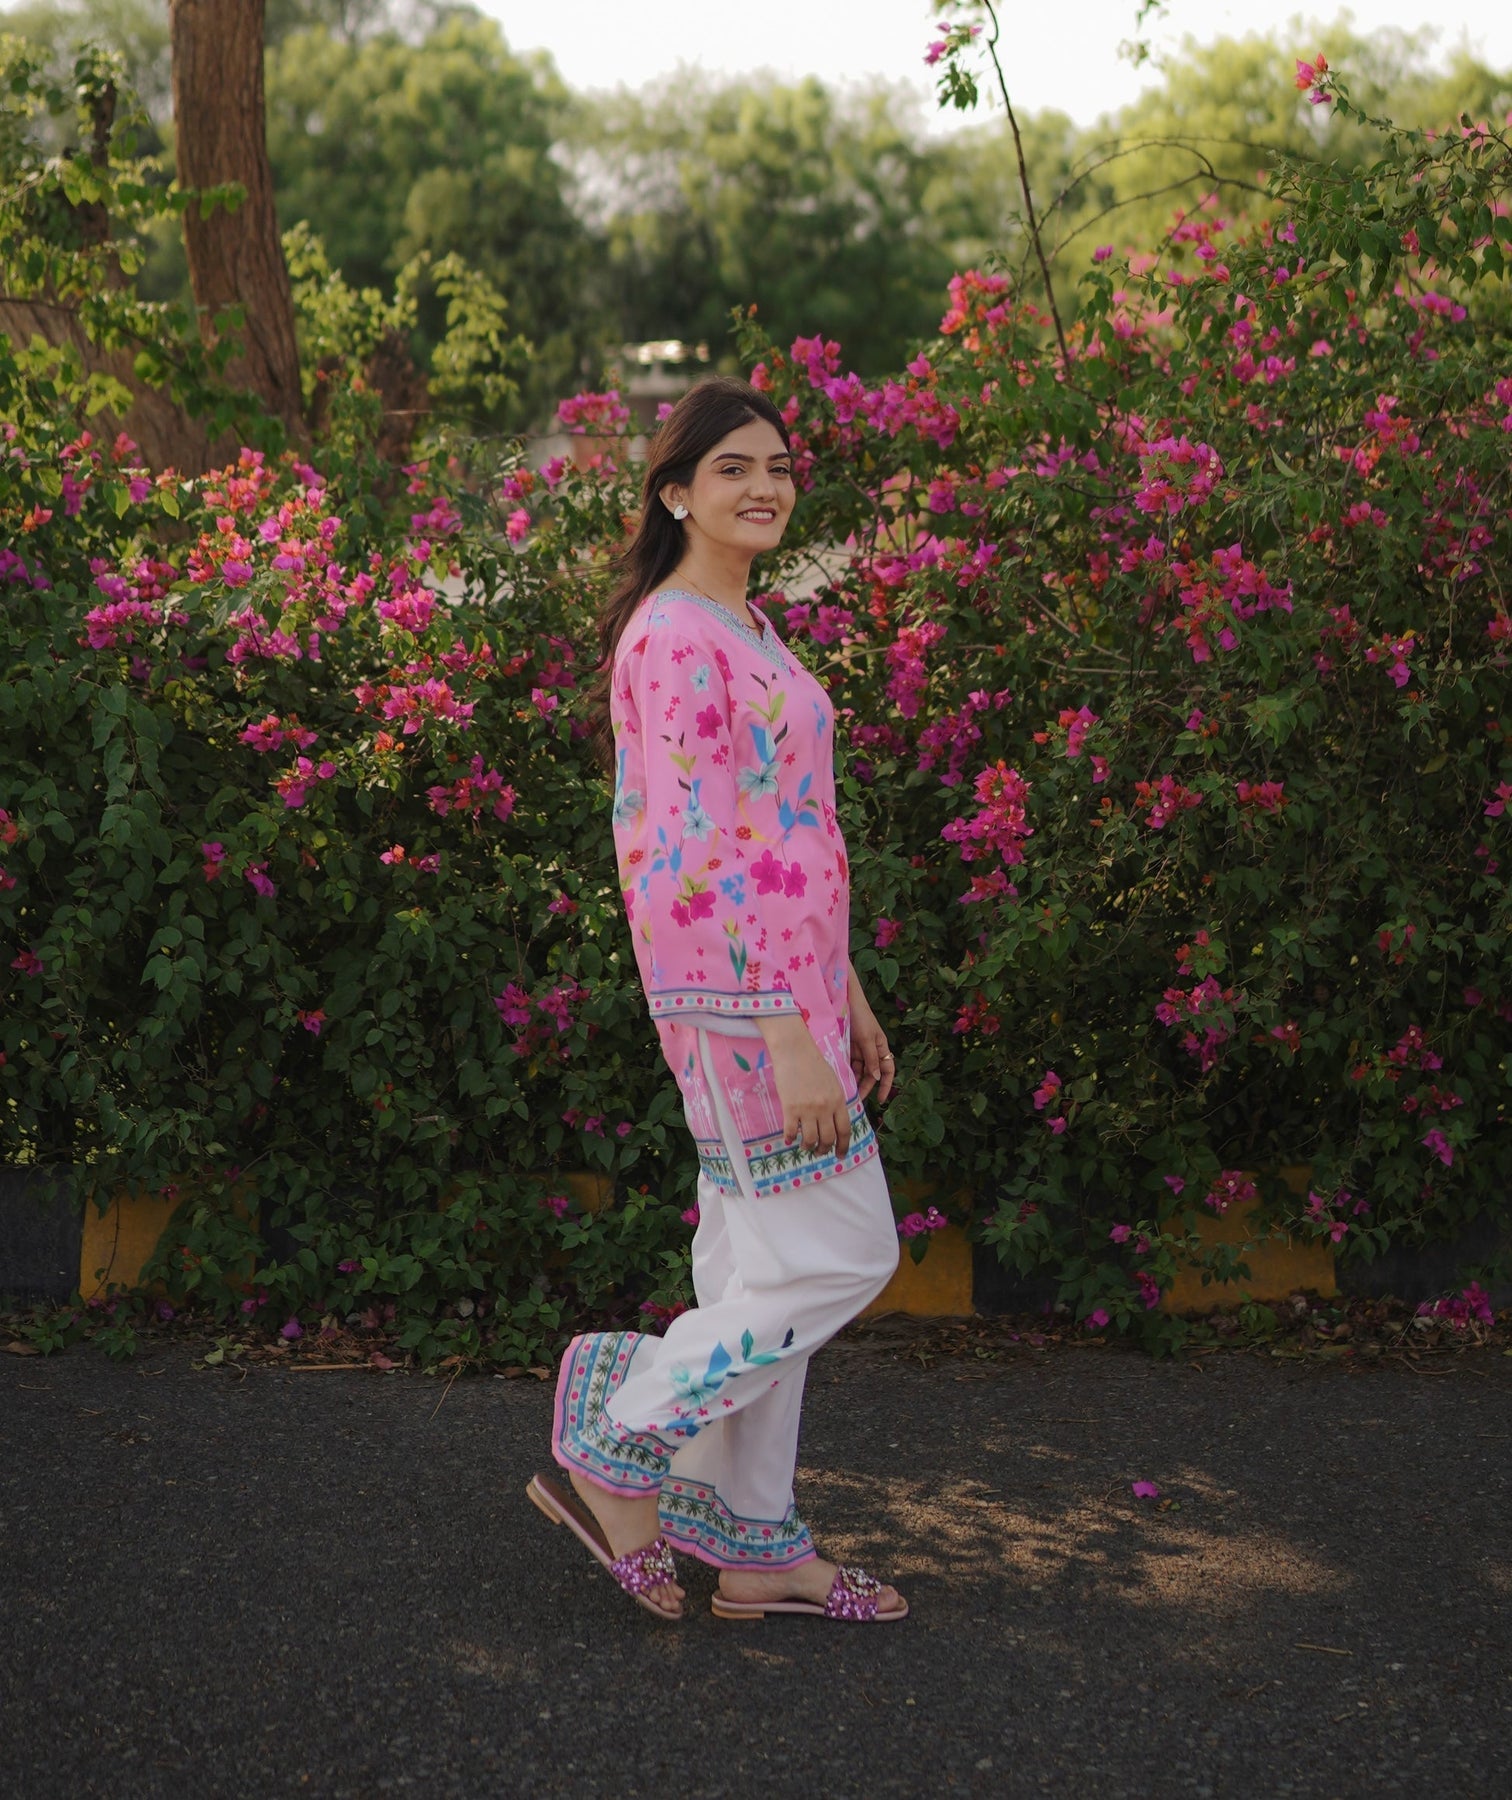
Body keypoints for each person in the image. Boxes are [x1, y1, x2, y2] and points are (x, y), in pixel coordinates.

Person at [527, 376, 908, 1624]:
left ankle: (755, 1543)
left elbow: (785, 837)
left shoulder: (746, 625)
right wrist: (788, 1028)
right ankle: (623, 1429)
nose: (764, 486)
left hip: (787, 993)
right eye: (733, 467)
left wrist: (843, 992)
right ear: (676, 493)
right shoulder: (678, 636)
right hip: (741, 1008)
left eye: (778, 467)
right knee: (847, 1253)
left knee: (762, 1277)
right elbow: (695, 854)